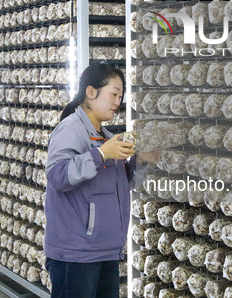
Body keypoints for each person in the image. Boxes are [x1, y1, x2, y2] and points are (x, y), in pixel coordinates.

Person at [44, 62, 161, 298]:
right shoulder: (71, 130)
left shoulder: (105, 136)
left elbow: (122, 185)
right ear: (91, 92)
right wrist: (100, 154)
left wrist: (143, 161)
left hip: (104, 250)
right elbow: (57, 176)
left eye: (121, 95)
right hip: (77, 253)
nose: (118, 101)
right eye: (114, 94)